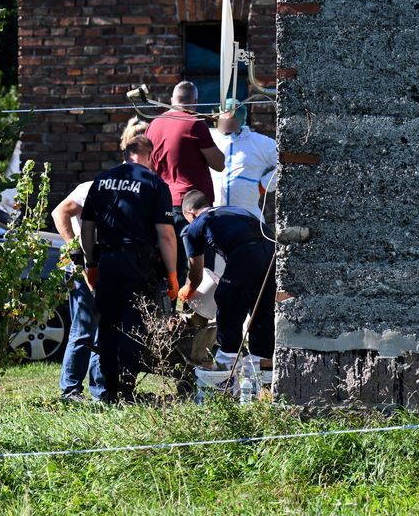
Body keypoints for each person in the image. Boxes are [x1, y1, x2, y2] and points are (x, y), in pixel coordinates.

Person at [50, 119, 148, 402]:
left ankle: (101, 390)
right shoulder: (92, 187)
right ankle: (70, 390)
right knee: (83, 329)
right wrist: (73, 247)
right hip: (85, 267)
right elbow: (60, 213)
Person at [79, 133, 180, 402]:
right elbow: (166, 235)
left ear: (124, 153)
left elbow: (87, 227)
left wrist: (91, 263)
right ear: (152, 155)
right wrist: (172, 276)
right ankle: (126, 387)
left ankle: (106, 389)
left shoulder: (101, 181)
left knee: (108, 324)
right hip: (137, 262)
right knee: (133, 325)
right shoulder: (153, 183)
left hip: (108, 260)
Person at [179, 189, 276, 369]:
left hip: (244, 252)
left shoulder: (196, 224)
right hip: (272, 250)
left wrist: (188, 290)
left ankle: (227, 363)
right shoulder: (233, 210)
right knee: (262, 309)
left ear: (190, 213)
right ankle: (262, 365)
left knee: (227, 301)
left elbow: (196, 274)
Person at [146, 81, 225, 247]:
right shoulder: (194, 123)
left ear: (172, 99)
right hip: (192, 207)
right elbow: (219, 164)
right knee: (198, 263)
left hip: (162, 203)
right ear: (195, 102)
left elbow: (150, 168)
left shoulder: (153, 125)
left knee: (170, 264)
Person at [210, 108, 277, 220]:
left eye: (233, 120)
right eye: (224, 119)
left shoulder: (259, 142)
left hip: (247, 213)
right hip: (213, 213)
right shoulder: (209, 137)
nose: (228, 124)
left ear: (241, 121)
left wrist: (265, 184)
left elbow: (286, 162)